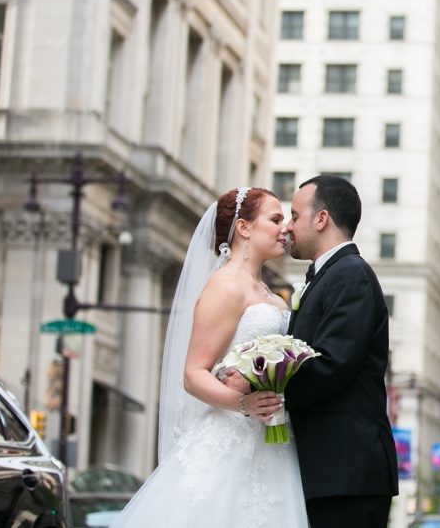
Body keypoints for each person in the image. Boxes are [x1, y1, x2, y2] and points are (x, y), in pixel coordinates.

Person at [110, 187, 307, 527]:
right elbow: (194, 374)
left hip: (274, 442)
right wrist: (244, 404)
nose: (286, 228)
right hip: (232, 439)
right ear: (244, 228)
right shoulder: (225, 286)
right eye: (275, 219)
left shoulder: (270, 294)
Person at [282, 175, 399, 527]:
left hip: (346, 472)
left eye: (294, 216)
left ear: (321, 220)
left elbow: (332, 364)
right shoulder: (330, 275)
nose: (287, 227)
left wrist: (266, 387)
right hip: (330, 472)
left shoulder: (351, 275)